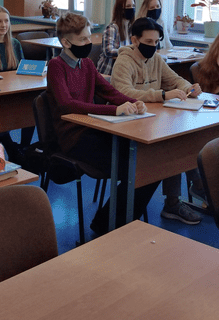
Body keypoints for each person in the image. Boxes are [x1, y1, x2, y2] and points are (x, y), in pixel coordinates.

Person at [46, 12, 159, 235]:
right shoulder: (56, 66)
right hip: (74, 138)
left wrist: (132, 102)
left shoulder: (87, 64)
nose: (89, 43)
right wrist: (114, 109)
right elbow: (67, 104)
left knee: (148, 166)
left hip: (95, 130)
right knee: (134, 169)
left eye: (89, 37)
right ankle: (109, 225)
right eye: (83, 39)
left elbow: (109, 91)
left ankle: (110, 222)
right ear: (65, 42)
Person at [110, 17, 204, 224]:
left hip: (152, 121)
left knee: (181, 140)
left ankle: (185, 195)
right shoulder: (124, 62)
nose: (153, 46)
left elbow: (175, 80)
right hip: (128, 125)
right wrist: (162, 95)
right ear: (135, 40)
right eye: (148, 42)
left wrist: (189, 87)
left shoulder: (156, 60)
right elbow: (124, 93)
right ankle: (187, 193)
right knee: (171, 148)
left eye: (156, 42)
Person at [0, 5, 34, 156]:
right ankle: (12, 149)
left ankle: (24, 147)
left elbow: (23, 69)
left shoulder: (15, 43)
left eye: (6, 21)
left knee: (32, 109)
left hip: (15, 90)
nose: (3, 25)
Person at [96, 0, 136, 75]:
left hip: (126, 69)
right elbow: (108, 51)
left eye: (133, 6)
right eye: (128, 6)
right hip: (109, 72)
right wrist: (128, 51)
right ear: (120, 9)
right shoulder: (112, 28)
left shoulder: (132, 28)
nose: (131, 8)